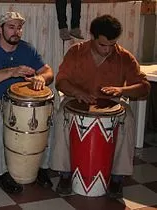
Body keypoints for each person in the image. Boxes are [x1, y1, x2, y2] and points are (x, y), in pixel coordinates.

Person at [49, 14, 151, 198]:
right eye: (103, 45)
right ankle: (64, 174)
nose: (107, 50)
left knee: (127, 118)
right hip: (76, 100)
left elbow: (144, 87)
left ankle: (117, 178)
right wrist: (77, 92)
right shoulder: (76, 52)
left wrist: (122, 90)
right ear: (93, 37)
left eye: (112, 45)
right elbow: (61, 82)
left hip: (112, 103)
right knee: (61, 115)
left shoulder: (124, 57)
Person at [0, 11, 54, 194]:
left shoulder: (28, 49)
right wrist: (12, 72)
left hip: (25, 103)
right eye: (11, 27)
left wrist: (41, 78)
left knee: (52, 115)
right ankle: (2, 173)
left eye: (19, 28)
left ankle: (42, 167)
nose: (16, 32)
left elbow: (49, 72)